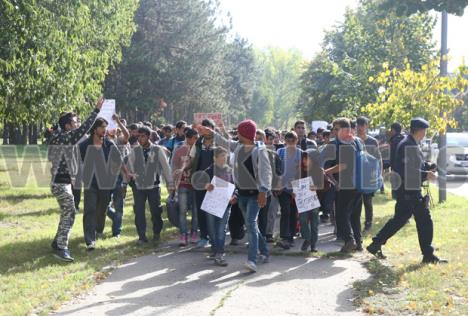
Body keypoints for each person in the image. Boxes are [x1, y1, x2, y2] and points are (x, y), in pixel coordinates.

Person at [367, 118, 447, 264]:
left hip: (409, 190)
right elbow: (405, 169)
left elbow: (417, 164)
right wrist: (425, 174)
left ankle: (375, 244)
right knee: (423, 221)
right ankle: (428, 255)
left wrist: (429, 166)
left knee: (400, 220)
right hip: (408, 190)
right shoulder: (406, 144)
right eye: (424, 131)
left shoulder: (411, 143)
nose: (425, 133)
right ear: (418, 130)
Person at [198, 119, 272, 272]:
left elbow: (266, 172)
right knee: (252, 225)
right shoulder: (238, 147)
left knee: (251, 223)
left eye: (239, 131)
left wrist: (263, 192)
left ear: (245, 133)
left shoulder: (260, 151)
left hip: (255, 195)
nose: (237, 134)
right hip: (242, 194)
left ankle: (252, 260)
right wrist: (212, 133)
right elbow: (226, 143)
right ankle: (264, 251)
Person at [48, 97, 103, 262]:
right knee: (71, 210)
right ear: (67, 126)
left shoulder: (64, 138)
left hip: (64, 182)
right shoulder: (62, 138)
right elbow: (83, 130)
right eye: (74, 121)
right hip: (59, 184)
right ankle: (61, 247)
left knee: (68, 211)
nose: (77, 123)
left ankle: (57, 242)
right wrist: (95, 111)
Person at [79, 118, 130, 250]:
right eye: (102, 127)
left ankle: (99, 229)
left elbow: (118, 160)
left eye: (105, 127)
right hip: (90, 182)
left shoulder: (109, 144)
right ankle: (90, 240)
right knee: (89, 210)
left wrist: (126, 173)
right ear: (95, 129)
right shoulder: (84, 145)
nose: (104, 130)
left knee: (102, 209)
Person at [126, 126, 174, 244]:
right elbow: (129, 166)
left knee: (156, 211)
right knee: (139, 211)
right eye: (138, 137)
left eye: (142, 136)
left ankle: (156, 232)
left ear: (148, 136)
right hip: (139, 187)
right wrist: (128, 178)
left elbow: (166, 168)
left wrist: (170, 184)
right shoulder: (135, 151)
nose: (140, 139)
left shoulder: (157, 150)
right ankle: (142, 236)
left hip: (154, 186)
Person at [322, 118, 363, 252]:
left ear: (342, 129)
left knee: (341, 215)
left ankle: (349, 240)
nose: (333, 131)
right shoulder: (357, 141)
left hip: (347, 184)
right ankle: (359, 243)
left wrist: (326, 171)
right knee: (355, 215)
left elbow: (343, 165)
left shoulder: (344, 143)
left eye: (336, 129)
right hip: (359, 183)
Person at [204, 147, 236, 266]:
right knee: (212, 230)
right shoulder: (209, 170)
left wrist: (234, 196)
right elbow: (201, 182)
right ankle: (214, 249)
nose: (224, 158)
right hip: (211, 205)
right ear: (215, 158)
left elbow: (234, 187)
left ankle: (220, 254)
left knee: (221, 230)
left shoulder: (230, 171)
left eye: (225, 156)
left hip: (225, 205)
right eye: (222, 156)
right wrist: (206, 185)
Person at [190, 119, 216, 248]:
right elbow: (192, 159)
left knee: (213, 210)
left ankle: (215, 238)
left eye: (208, 127)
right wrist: (183, 169)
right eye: (203, 127)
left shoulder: (219, 142)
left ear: (212, 128)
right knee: (201, 209)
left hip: (216, 182)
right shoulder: (198, 142)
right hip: (200, 181)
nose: (205, 129)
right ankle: (204, 236)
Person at [171, 127, 199, 246]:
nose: (197, 140)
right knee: (182, 210)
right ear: (188, 138)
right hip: (183, 184)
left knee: (195, 211)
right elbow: (174, 167)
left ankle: (194, 232)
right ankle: (183, 234)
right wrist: (172, 184)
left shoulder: (199, 150)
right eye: (195, 138)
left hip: (196, 185)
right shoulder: (179, 150)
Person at [276, 131, 302, 250]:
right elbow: (277, 170)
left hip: (296, 188)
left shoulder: (301, 154)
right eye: (288, 141)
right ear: (284, 141)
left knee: (293, 212)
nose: (290, 143)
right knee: (285, 211)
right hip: (283, 188)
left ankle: (291, 237)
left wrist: (296, 188)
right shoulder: (280, 152)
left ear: (297, 141)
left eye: (293, 141)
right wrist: (278, 185)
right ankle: (284, 237)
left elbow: (301, 173)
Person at [299, 150, 329, 252]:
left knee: (314, 223)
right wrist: (294, 192)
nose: (304, 161)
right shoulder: (299, 170)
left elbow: (326, 185)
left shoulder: (319, 171)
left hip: (315, 201)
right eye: (303, 158)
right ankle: (307, 238)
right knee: (303, 220)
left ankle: (313, 245)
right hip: (303, 201)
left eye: (306, 158)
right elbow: (295, 184)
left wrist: (317, 187)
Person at [106, 114, 130, 238]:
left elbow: (127, 135)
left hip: (119, 178)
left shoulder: (120, 140)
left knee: (119, 206)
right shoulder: (102, 140)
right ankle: (116, 218)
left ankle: (117, 232)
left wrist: (119, 121)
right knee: (104, 206)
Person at [356, 117, 382, 232]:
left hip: (368, 176)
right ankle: (355, 225)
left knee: (367, 201)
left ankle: (368, 224)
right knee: (355, 202)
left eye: (363, 125)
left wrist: (379, 173)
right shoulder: (353, 140)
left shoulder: (372, 141)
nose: (361, 127)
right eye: (359, 125)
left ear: (367, 126)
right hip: (355, 176)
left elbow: (378, 158)